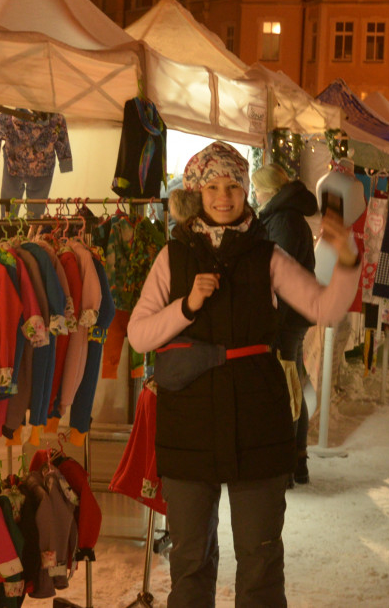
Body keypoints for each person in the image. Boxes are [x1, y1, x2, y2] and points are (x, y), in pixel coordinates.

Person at [127, 142, 359, 608]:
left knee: (261, 566)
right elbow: (138, 334)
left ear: (246, 190)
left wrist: (345, 248)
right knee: (190, 566)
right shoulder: (172, 257)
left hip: (258, 423)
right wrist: (187, 306)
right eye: (212, 187)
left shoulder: (267, 254)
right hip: (189, 428)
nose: (223, 197)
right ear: (197, 192)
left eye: (233, 186)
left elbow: (324, 306)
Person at [252, 163, 317, 486]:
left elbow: (280, 274)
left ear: (270, 191)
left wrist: (272, 318)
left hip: (287, 317)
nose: (254, 194)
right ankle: (296, 461)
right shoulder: (284, 217)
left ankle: (288, 464)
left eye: (256, 188)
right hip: (294, 314)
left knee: (286, 384)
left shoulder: (284, 220)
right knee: (291, 381)